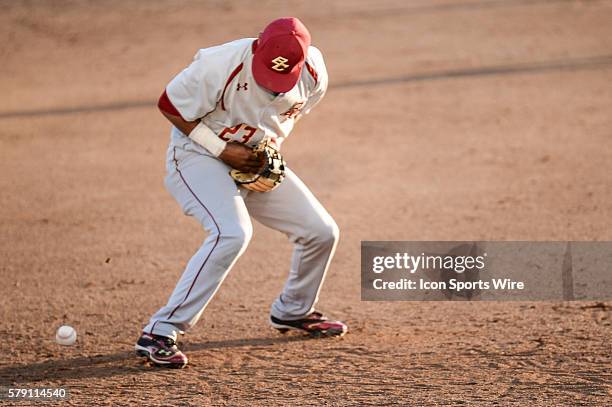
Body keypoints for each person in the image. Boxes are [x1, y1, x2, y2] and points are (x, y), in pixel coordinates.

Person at [135, 17, 347, 368]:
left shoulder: (315, 73)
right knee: (231, 233)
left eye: (282, 78)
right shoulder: (219, 64)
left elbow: (284, 119)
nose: (274, 86)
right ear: (257, 49)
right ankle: (160, 330)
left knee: (321, 232)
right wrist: (221, 150)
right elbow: (169, 105)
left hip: (250, 159)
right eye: (268, 75)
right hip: (196, 155)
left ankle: (293, 311)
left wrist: (263, 154)